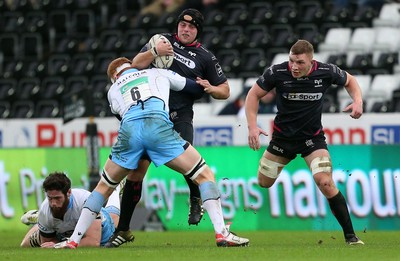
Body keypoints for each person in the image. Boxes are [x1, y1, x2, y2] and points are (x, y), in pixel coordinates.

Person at [51, 57, 249, 249]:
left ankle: (73, 241)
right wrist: (207, 85)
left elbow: (120, 115)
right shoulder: (157, 72)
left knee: (103, 188)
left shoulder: (113, 90)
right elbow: (193, 87)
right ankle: (222, 233)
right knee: (204, 175)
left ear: (114, 76)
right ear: (134, 66)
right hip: (156, 124)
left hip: (129, 130)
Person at [105, 8, 231, 248]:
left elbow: (225, 90)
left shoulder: (205, 57)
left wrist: (211, 88)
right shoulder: (161, 40)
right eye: (182, 25)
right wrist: (154, 52)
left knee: (191, 164)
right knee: (136, 173)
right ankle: (123, 229)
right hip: (149, 117)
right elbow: (134, 65)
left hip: (179, 115)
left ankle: (196, 198)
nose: (185, 29)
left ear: (198, 31)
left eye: (191, 27)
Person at [245, 39, 364, 245]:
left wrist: (358, 101)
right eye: (291, 61)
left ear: (311, 62)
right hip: (282, 140)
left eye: (299, 62)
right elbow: (253, 94)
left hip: (312, 141)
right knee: (264, 182)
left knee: (325, 182)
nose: (294, 66)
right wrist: (252, 126)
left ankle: (351, 237)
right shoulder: (277, 72)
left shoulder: (326, 71)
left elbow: (350, 81)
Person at [19, 172, 121, 248]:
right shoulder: (45, 209)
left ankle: (117, 189)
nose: (53, 204)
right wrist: (54, 244)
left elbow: (93, 241)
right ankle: (40, 221)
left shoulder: (85, 200)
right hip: (63, 234)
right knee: (24, 245)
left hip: (102, 231)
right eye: (50, 198)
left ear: (68, 192)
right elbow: (48, 243)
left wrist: (58, 246)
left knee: (113, 218)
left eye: (58, 198)